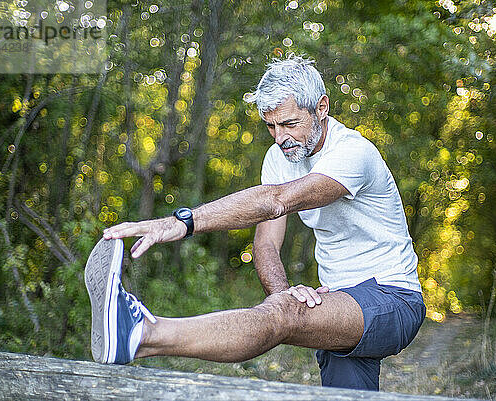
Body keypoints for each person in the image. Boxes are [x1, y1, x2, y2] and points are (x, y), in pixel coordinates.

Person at [84, 56, 426, 391]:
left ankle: (141, 334)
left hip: (393, 298)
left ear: (321, 107)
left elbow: (276, 201)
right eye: (270, 126)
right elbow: (265, 244)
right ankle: (138, 335)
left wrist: (185, 221)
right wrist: (285, 297)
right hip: (339, 303)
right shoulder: (280, 157)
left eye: (290, 124)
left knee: (284, 314)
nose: (280, 138)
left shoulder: (353, 153)